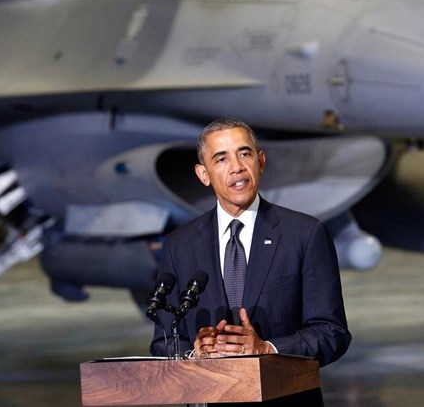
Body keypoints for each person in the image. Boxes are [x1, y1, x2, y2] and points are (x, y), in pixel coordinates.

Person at [149, 118, 351, 406]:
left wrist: (267, 349)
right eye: (221, 159)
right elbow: (163, 341)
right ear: (203, 174)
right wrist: (194, 355)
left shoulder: (304, 234)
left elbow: (332, 332)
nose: (237, 167)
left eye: (244, 154)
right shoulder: (179, 244)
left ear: (261, 161)